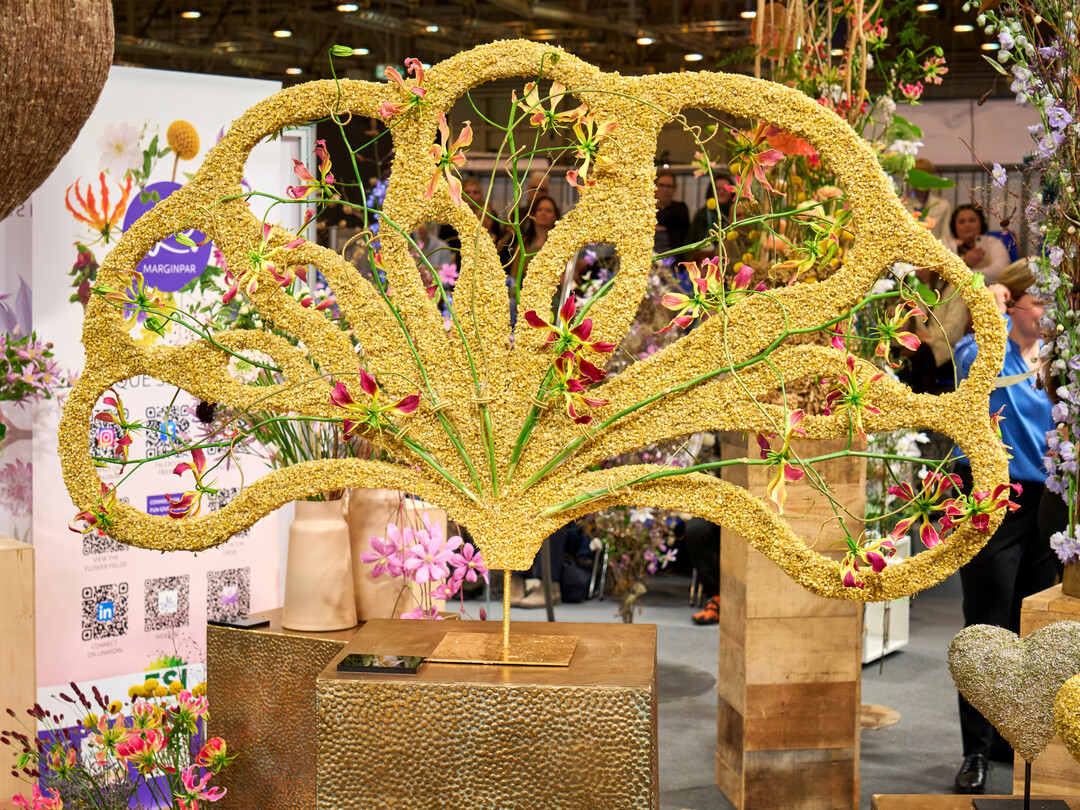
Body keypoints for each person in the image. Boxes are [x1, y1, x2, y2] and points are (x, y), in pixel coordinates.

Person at [950, 258, 1058, 794]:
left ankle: (1012, 742)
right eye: (1037, 301)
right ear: (1010, 302)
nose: (1046, 312)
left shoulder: (1059, 360)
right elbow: (966, 352)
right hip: (990, 495)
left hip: (1048, 505)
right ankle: (974, 750)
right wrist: (985, 305)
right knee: (986, 625)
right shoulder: (982, 351)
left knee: (1033, 627)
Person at [943, 204, 1011, 285]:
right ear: (954, 226)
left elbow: (1001, 271)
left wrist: (963, 274)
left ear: (981, 223)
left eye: (972, 220)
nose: (967, 225)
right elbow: (942, 272)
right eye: (962, 222)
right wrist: (964, 261)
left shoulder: (993, 243)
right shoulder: (945, 244)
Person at [686, 173, 736, 259]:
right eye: (717, 189)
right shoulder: (702, 214)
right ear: (711, 191)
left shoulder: (737, 213)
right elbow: (690, 241)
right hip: (702, 260)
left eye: (725, 189)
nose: (721, 192)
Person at [902, 158, 953, 241]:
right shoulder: (900, 203)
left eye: (925, 176)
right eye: (917, 176)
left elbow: (945, 236)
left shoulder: (943, 205)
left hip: (934, 250)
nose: (921, 180)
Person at [653, 169, 689, 257]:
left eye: (669, 186)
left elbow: (682, 234)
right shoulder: (645, 209)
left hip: (672, 255)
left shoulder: (680, 208)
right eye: (661, 185)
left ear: (674, 189)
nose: (665, 190)